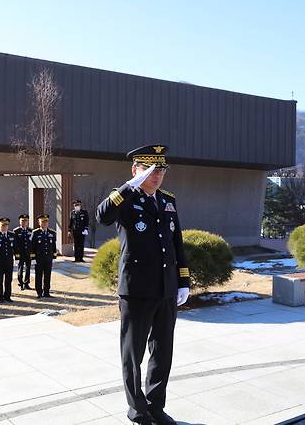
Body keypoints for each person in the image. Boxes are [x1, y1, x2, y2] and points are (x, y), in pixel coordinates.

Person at [96, 144, 190, 425]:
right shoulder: (124, 200)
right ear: (135, 171)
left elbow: (177, 244)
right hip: (136, 290)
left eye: (160, 170)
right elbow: (102, 216)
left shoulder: (168, 201)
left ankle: (156, 406)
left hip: (166, 289)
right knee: (132, 353)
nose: (157, 175)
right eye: (150, 170)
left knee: (162, 352)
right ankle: (137, 409)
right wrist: (127, 188)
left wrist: (183, 280)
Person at [0, 217, 19, 303]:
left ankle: (7, 296)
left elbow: (16, 247)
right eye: (2, 225)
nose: (4, 227)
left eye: (6, 225)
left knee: (8, 279)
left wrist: (17, 257)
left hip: (9, 261)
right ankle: (0, 296)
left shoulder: (12, 235)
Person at [29, 214, 57, 298]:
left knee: (47, 275)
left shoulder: (52, 233)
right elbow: (32, 247)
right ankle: (39, 292)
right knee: (39, 276)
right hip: (39, 259)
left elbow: (54, 246)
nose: (45, 223)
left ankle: (46, 292)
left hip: (48, 258)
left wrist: (54, 256)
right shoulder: (35, 233)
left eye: (46, 221)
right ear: (39, 223)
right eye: (43, 222)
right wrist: (33, 258)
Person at [14, 214, 33, 290]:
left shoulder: (30, 230)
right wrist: (16, 254)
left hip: (28, 253)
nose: (24, 222)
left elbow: (32, 242)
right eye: (22, 221)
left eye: (26, 221)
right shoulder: (16, 231)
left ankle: (26, 283)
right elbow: (15, 243)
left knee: (28, 268)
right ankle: (20, 283)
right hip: (20, 253)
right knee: (20, 269)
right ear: (19, 221)